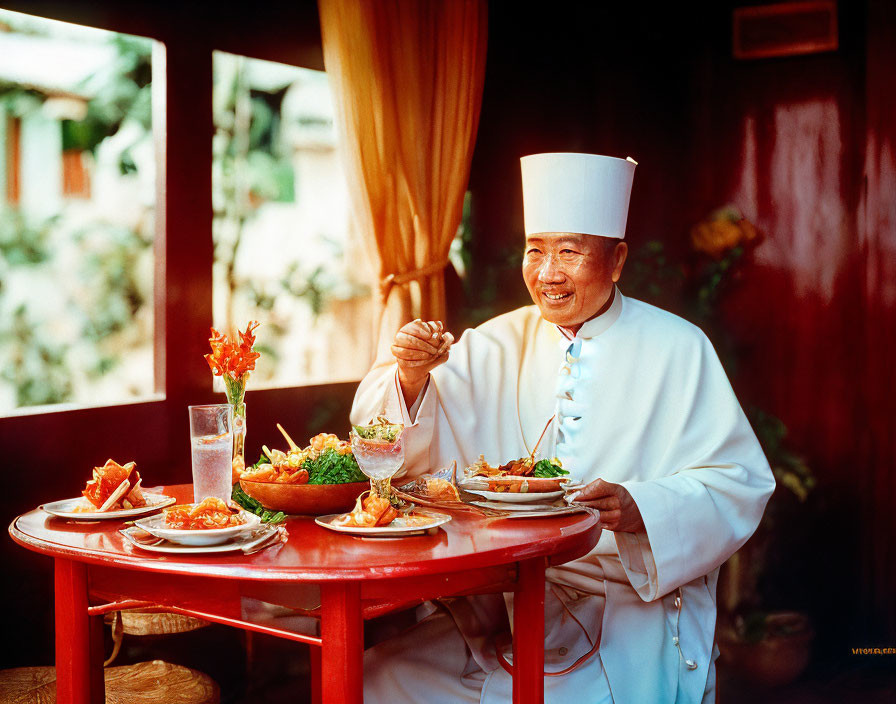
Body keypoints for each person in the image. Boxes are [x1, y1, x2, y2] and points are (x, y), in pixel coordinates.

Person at [351, 152, 775, 703]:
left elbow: (739, 481)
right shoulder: (494, 342)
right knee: (379, 677)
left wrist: (641, 507)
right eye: (536, 251)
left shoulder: (680, 347)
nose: (548, 273)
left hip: (627, 604)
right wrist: (410, 376)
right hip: (505, 596)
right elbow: (384, 443)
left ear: (617, 259)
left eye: (570, 252)